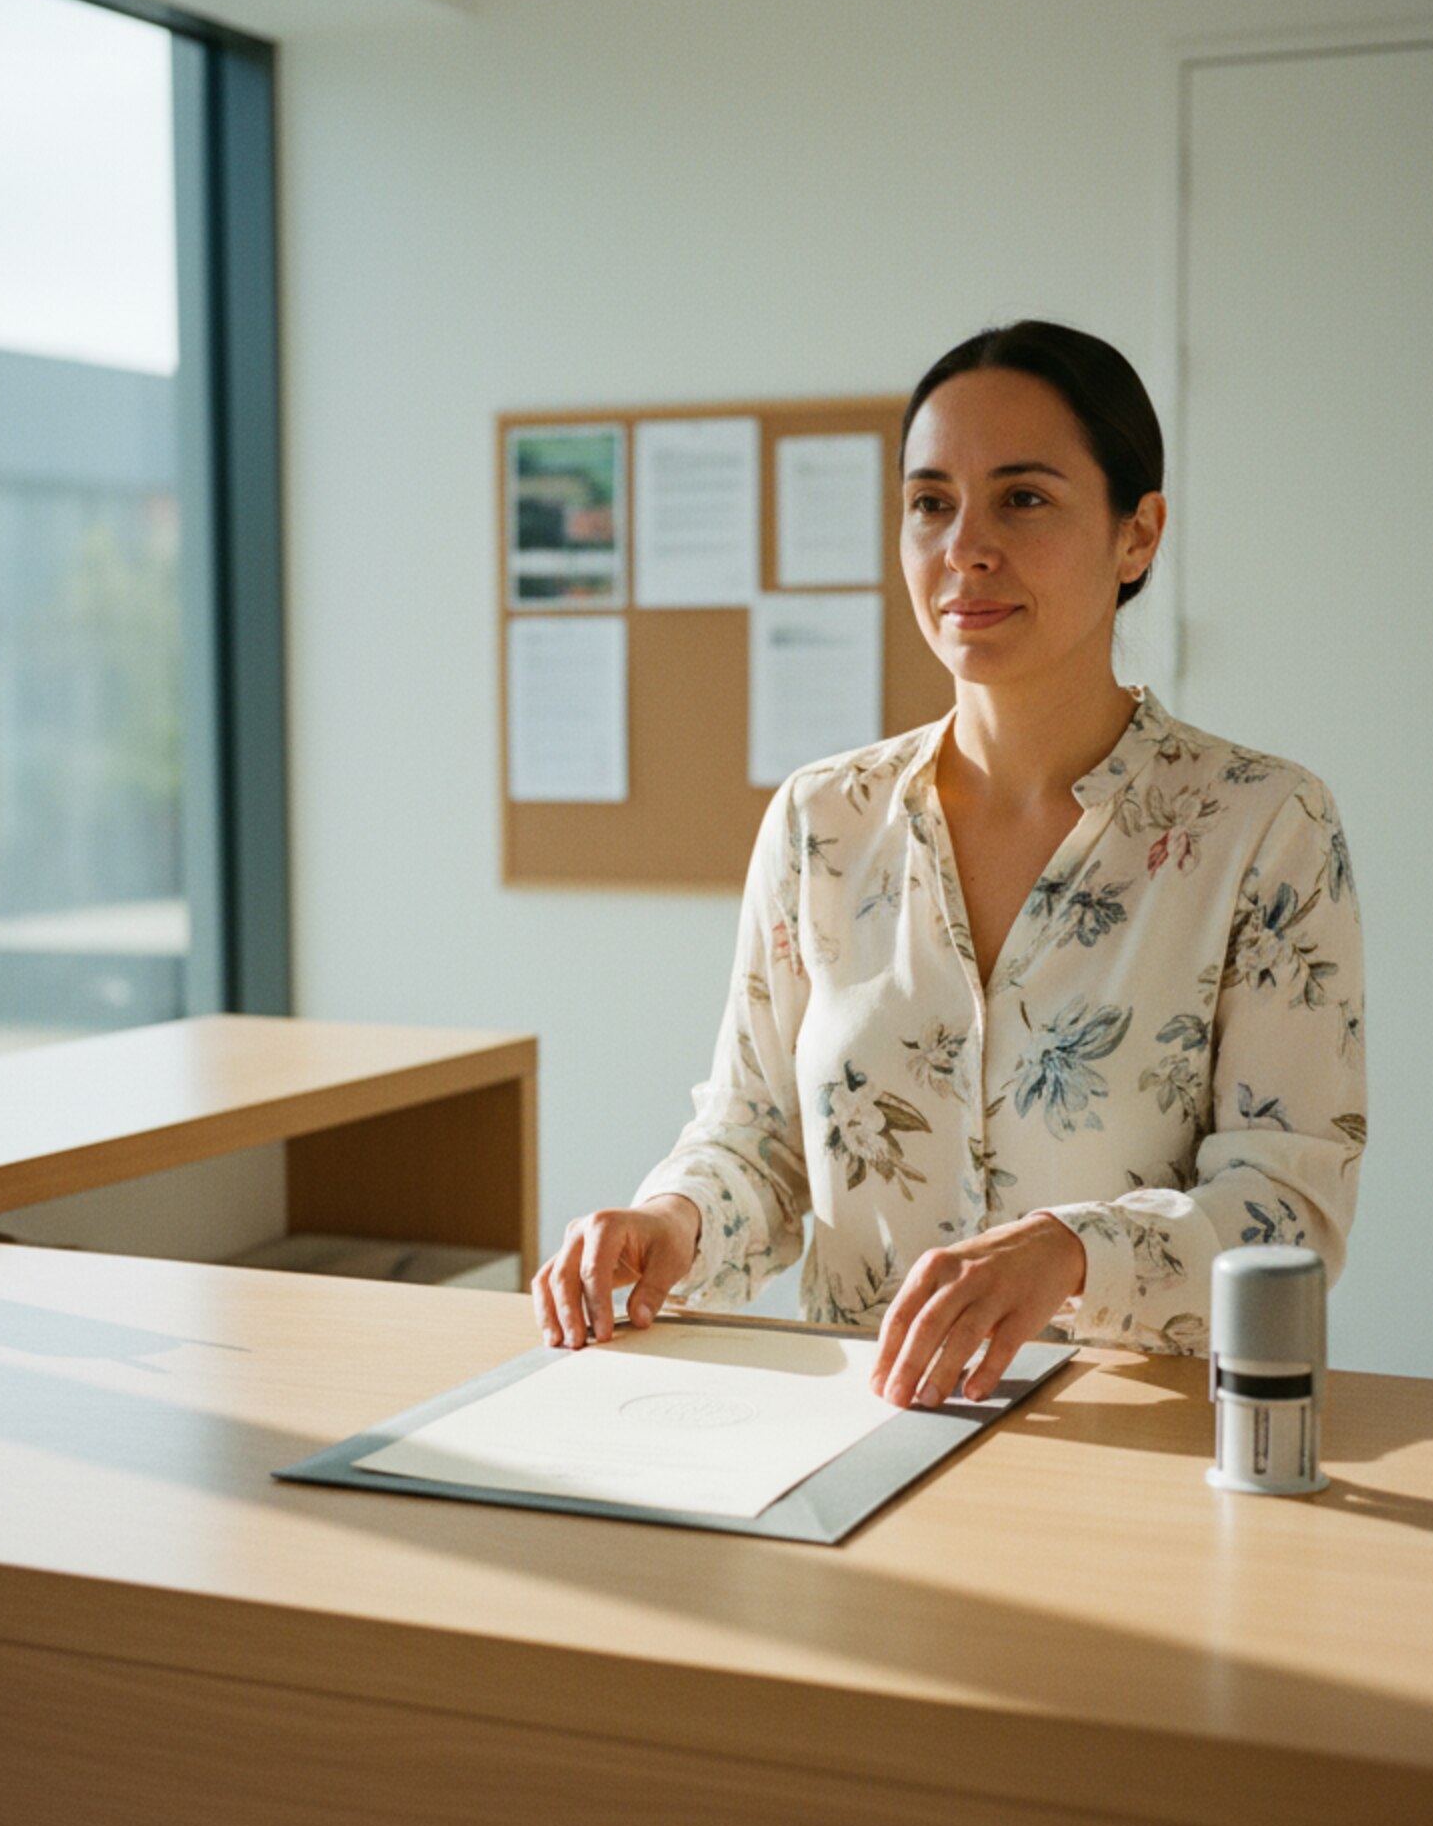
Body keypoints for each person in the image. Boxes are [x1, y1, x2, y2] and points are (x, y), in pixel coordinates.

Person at [532, 321, 1366, 1410]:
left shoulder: (1263, 826)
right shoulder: (820, 821)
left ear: (1136, 534)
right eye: (929, 502)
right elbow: (757, 1140)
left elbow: (1284, 1207)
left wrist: (1067, 1254)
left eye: (1021, 498)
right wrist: (670, 1221)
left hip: (1134, 1453)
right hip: (848, 1442)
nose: (963, 545)